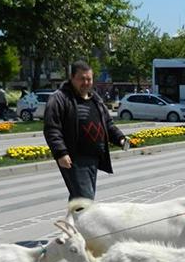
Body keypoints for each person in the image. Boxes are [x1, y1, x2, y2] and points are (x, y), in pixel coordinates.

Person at [44, 60, 128, 200]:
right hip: (74, 158)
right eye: (82, 79)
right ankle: (80, 222)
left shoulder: (95, 99)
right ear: (72, 78)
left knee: (80, 198)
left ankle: (72, 222)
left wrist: (120, 138)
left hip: (94, 157)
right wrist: (61, 153)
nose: (86, 82)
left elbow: (107, 123)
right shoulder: (59, 98)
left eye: (89, 79)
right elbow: (52, 128)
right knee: (85, 199)